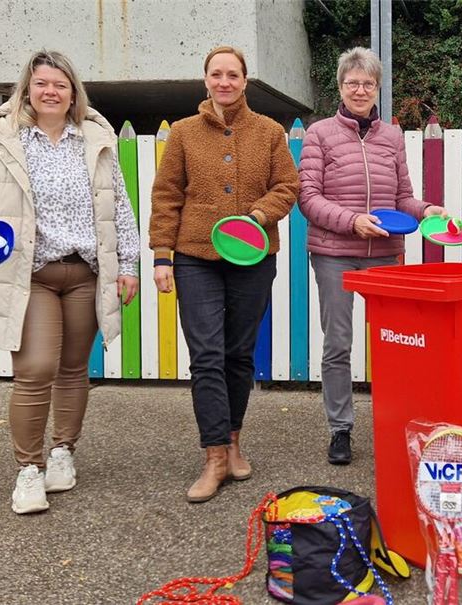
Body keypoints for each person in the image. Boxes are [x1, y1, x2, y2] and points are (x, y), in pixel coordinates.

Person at [0, 50, 140, 515]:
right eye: (41, 83)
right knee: (37, 369)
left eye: (60, 84)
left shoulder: (95, 139)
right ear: (27, 89)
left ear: (73, 92)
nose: (50, 91)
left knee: (74, 369)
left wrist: (130, 264)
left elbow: (119, 206)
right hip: (28, 273)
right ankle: (29, 470)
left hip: (85, 273)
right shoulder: (2, 137)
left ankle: (63, 453)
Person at [150, 46, 299, 503]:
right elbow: (166, 194)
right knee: (207, 354)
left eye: (232, 74)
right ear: (206, 80)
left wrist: (259, 214)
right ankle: (214, 455)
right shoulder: (183, 133)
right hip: (195, 256)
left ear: (245, 80)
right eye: (216, 74)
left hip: (252, 256)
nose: (224, 82)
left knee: (238, 352)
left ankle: (234, 439)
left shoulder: (270, 132)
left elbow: (288, 187)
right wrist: (161, 254)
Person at [298, 47, 445, 465]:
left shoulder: (392, 136)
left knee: (395, 343)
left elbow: (401, 197)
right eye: (352, 83)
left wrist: (425, 210)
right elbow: (307, 197)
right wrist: (352, 221)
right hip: (334, 255)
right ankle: (340, 430)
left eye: (367, 83)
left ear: (377, 87)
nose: (360, 90)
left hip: (384, 255)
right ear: (340, 87)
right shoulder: (320, 134)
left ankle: (396, 423)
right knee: (338, 344)